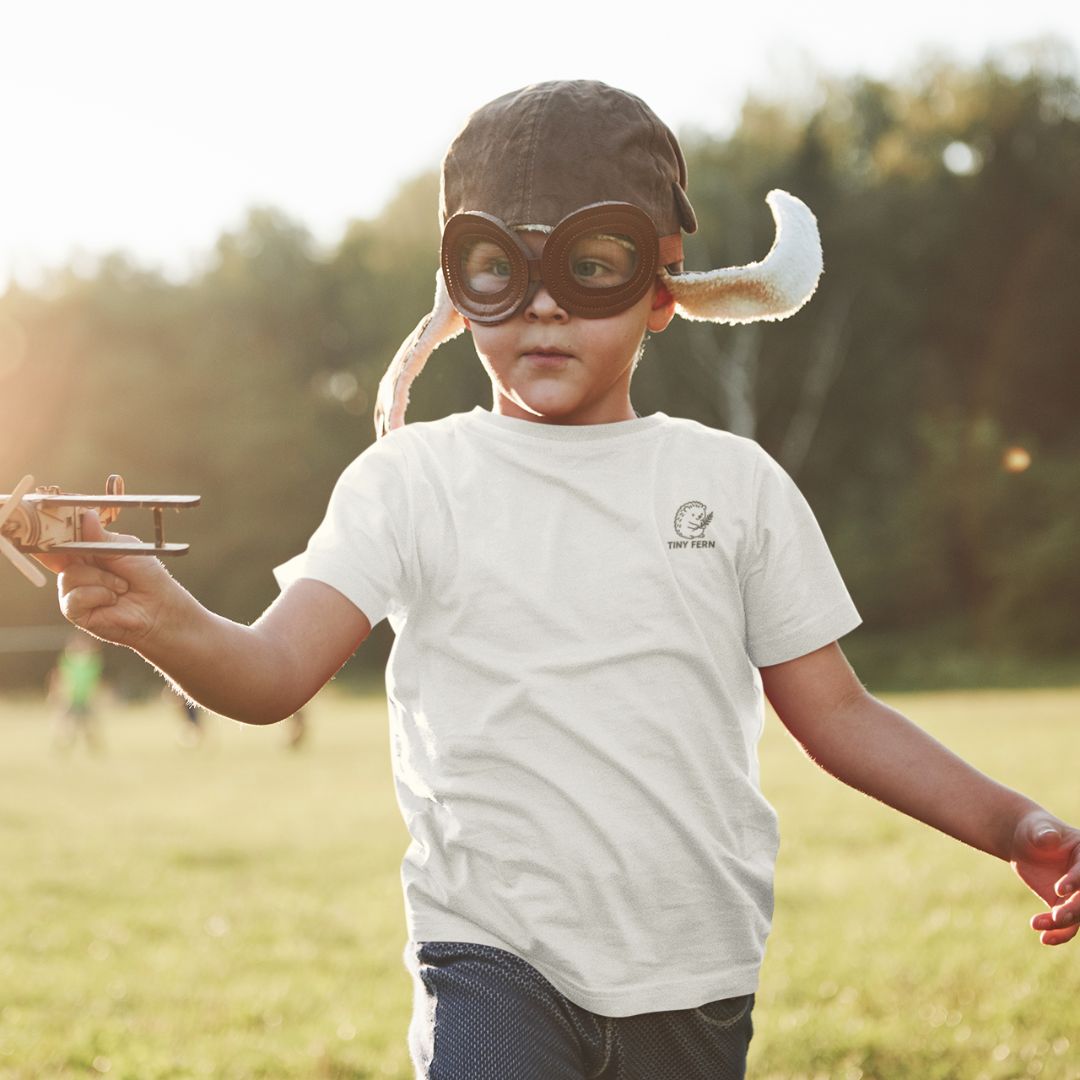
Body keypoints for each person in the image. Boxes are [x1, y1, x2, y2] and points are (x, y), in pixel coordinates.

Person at [37, 81, 1080, 1080]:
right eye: (498, 265)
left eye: (591, 265)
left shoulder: (733, 484)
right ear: (457, 289)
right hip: (490, 958)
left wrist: (1014, 824)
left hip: (694, 974)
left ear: (663, 290)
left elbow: (840, 714)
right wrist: (156, 618)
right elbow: (271, 675)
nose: (539, 306)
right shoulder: (411, 482)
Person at [48, 632, 106, 754]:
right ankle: (60, 747)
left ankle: (95, 749)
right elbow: (58, 677)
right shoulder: (67, 662)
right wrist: (55, 694)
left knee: (90, 727)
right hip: (71, 700)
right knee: (65, 725)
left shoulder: (93, 664)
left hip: (86, 701)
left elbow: (96, 682)